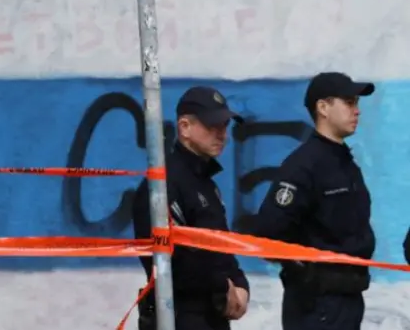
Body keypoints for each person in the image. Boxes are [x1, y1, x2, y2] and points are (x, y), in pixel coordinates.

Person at [244, 72, 376, 330]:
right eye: (349, 102)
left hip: (347, 299)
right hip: (317, 306)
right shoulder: (304, 165)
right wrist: (303, 269)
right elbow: (269, 230)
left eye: (357, 103)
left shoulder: (344, 163)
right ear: (323, 108)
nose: (357, 111)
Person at [132, 86, 250, 330]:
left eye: (225, 127)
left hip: (213, 316)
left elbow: (221, 246)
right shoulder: (162, 186)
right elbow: (168, 262)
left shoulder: (207, 185)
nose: (222, 134)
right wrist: (224, 287)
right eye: (212, 126)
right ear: (184, 127)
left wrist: (241, 284)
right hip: (177, 317)